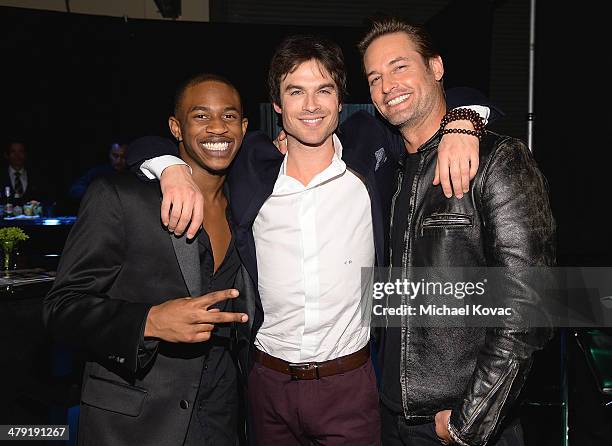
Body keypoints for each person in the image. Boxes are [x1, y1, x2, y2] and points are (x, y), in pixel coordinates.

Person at [127, 34, 491, 444]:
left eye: (324, 90)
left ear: (341, 101)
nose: (312, 105)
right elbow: (148, 143)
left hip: (352, 384)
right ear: (278, 105)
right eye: (296, 91)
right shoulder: (252, 164)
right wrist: (171, 168)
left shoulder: (371, 149)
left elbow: (446, 96)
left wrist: (464, 122)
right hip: (266, 385)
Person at [358, 18, 555, 445]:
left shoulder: (496, 161)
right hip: (390, 417)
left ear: (436, 67)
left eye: (399, 67)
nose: (388, 85)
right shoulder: (386, 167)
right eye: (375, 78)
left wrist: (469, 422)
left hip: (456, 423)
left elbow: (529, 306)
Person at [43, 74, 250, 446]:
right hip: (135, 424)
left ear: (244, 126)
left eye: (230, 116)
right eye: (201, 116)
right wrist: (149, 322)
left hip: (221, 415)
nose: (218, 127)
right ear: (176, 127)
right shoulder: (120, 198)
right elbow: (61, 308)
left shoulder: (247, 205)